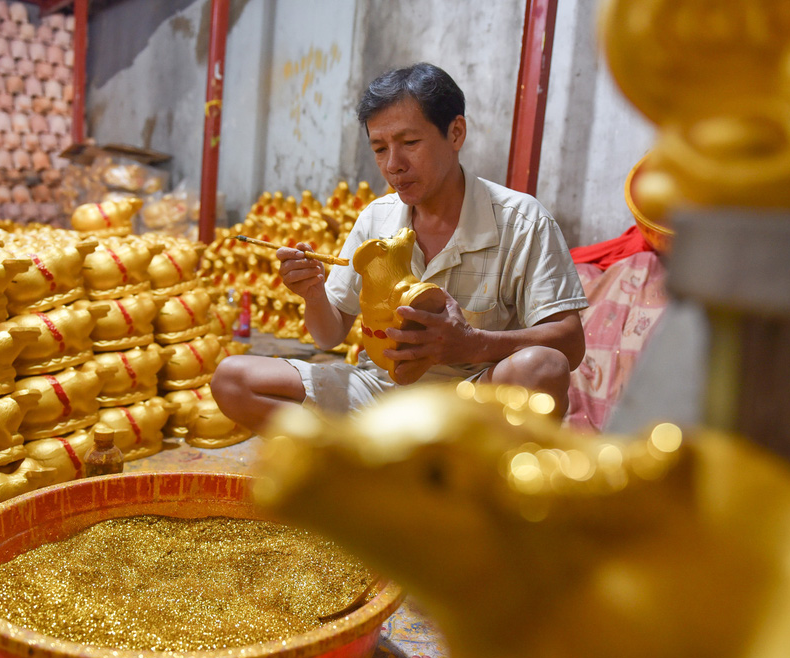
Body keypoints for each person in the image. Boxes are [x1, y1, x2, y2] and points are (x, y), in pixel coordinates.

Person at [212, 62, 587, 429]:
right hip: (379, 394)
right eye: (379, 148)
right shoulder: (376, 219)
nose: (394, 165)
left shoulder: (521, 220)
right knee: (233, 379)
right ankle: (365, 458)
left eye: (409, 142)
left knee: (541, 368)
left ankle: (450, 473)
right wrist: (312, 293)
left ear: (455, 133)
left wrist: (472, 345)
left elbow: (569, 345)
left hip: (471, 402)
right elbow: (329, 336)